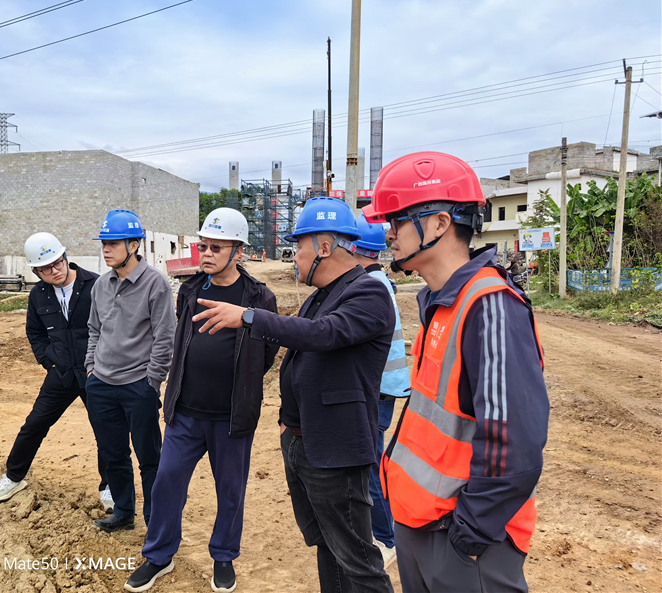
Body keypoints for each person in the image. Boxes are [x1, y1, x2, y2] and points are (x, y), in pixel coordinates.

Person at [189, 196, 396, 593]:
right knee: (327, 544)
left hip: (335, 451)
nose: (293, 258)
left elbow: (324, 335)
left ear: (324, 247)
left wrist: (248, 316)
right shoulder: (320, 294)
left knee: (357, 558)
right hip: (304, 442)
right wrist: (287, 424)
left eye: (298, 247)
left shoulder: (368, 293)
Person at [366, 152, 549, 593]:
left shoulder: (490, 306)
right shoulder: (442, 302)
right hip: (422, 523)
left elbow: (515, 445)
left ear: (439, 223)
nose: (388, 233)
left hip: (463, 542)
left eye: (397, 220)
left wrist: (468, 537)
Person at [126, 208, 279, 593]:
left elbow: (266, 353)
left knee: (230, 491)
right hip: (185, 413)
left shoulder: (260, 297)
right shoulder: (191, 289)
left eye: (216, 247)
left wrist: (241, 382)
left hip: (231, 417)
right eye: (203, 246)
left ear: (238, 251)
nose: (206, 254)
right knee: (167, 483)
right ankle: (159, 556)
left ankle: (223, 556)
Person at [0, 233, 110, 509]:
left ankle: (110, 487)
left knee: (107, 431)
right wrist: (49, 361)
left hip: (96, 373)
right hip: (61, 373)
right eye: (45, 269)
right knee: (34, 425)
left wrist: (104, 364)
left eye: (57, 263)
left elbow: (113, 327)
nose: (54, 271)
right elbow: (35, 332)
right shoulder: (38, 294)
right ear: (36, 272)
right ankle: (13, 477)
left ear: (65, 258)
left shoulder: (96, 285)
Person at [85, 210, 176, 533]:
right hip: (101, 385)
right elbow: (94, 329)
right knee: (113, 454)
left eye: (113, 243)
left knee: (150, 457)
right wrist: (91, 369)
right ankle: (124, 512)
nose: (106, 249)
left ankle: (155, 520)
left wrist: (152, 381)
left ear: (134, 245)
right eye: (103, 244)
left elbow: (165, 337)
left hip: (139, 386)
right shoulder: (101, 285)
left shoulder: (156, 284)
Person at [352, 215, 411, 568]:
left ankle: (387, 538)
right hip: (384, 387)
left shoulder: (369, 286)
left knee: (370, 465)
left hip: (377, 389)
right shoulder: (378, 281)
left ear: (354, 248)